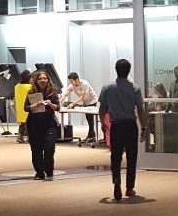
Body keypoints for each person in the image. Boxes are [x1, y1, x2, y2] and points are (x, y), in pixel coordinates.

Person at [98, 59, 146, 201]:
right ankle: (129, 187)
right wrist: (143, 127)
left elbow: (102, 109)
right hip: (130, 125)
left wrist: (102, 123)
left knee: (116, 156)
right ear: (129, 71)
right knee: (132, 157)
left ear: (116, 70)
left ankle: (116, 179)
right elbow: (140, 109)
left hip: (116, 126)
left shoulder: (107, 88)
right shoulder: (135, 88)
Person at [24, 71, 60, 180]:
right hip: (34, 124)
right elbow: (25, 108)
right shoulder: (31, 92)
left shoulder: (53, 93)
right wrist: (35, 105)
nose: (43, 80)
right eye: (40, 79)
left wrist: (49, 103)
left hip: (49, 124)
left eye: (45, 78)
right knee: (36, 149)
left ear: (48, 80)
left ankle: (49, 172)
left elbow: (58, 107)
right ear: (36, 81)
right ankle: (39, 172)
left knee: (49, 148)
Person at [59, 71, 100, 141]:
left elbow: (82, 97)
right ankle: (91, 134)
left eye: (72, 81)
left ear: (77, 79)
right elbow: (65, 94)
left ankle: (92, 135)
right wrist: (59, 101)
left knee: (90, 117)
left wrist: (73, 104)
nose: (71, 83)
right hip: (85, 101)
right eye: (70, 81)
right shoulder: (72, 85)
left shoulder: (85, 84)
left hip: (92, 100)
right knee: (88, 118)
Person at [14, 70, 32, 144]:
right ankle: (29, 138)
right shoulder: (29, 86)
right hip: (27, 107)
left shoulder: (17, 86)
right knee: (30, 124)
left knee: (22, 123)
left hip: (19, 108)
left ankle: (20, 137)